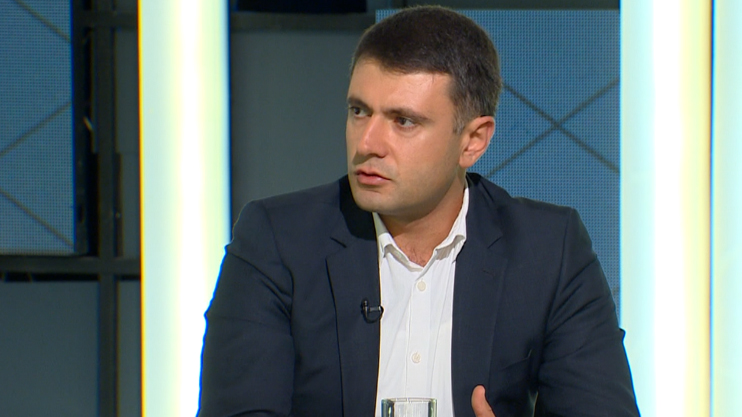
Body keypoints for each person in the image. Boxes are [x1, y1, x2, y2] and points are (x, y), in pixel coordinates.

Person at [198, 6, 639, 417]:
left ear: (473, 141)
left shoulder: (548, 250)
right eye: (359, 111)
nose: (367, 143)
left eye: (403, 121)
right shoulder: (276, 242)